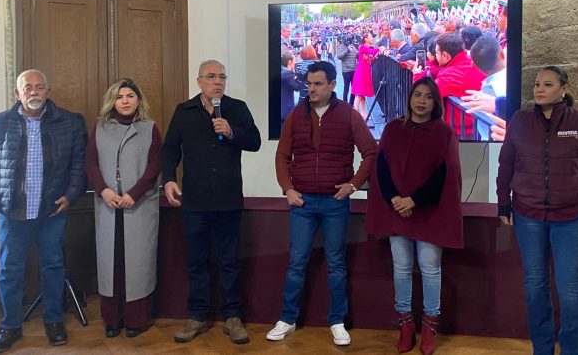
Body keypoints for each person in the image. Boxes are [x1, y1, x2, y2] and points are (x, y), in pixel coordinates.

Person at [496, 66, 578, 355]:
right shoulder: (519, 121)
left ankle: (572, 350)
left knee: (570, 291)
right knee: (535, 287)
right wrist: (503, 203)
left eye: (547, 84)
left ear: (563, 89)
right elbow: (506, 165)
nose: (539, 89)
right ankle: (542, 349)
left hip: (573, 218)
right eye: (536, 84)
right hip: (528, 215)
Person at [268, 61, 377, 347]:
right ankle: (287, 319)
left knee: (337, 264)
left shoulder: (350, 115)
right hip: (302, 202)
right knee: (296, 263)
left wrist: (353, 184)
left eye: (318, 83)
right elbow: (282, 157)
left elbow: (370, 153)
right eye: (309, 83)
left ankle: (337, 321)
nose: (311, 88)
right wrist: (287, 189)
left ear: (332, 85)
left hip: (334, 203)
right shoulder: (295, 116)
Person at [0, 70, 86, 353]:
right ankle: (10, 326)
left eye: (39, 87)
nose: (34, 92)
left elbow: (78, 163)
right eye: (28, 88)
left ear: (47, 92)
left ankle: (54, 321)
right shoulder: (0, 123)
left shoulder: (68, 123)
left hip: (52, 210)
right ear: (18, 94)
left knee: (53, 266)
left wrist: (71, 195)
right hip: (13, 212)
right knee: (10, 270)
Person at [161, 60, 261, 345]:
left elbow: (254, 141)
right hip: (194, 201)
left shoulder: (236, 108)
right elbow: (169, 150)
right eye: (211, 77)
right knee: (196, 262)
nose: (218, 81)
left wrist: (232, 132)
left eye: (222, 77)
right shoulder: (184, 111)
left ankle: (232, 317)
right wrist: (168, 179)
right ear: (199, 81)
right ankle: (196, 315)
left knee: (229, 261)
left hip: (228, 199)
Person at [365, 77, 462, 355]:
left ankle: (430, 327)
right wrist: (395, 198)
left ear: (436, 102)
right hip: (398, 211)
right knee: (402, 268)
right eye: (417, 94)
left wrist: (415, 200)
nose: (421, 100)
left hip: (429, 213)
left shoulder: (444, 132)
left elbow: (446, 174)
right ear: (409, 98)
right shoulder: (394, 128)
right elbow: (382, 165)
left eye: (428, 96)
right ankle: (405, 325)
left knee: (431, 269)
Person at [84, 78, 161, 338]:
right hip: (108, 205)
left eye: (130, 95)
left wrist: (134, 194)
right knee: (112, 264)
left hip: (137, 206)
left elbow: (154, 167)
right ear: (112, 101)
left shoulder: (150, 129)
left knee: (137, 265)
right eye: (120, 96)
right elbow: (91, 163)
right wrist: (103, 190)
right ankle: (112, 319)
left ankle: (136, 319)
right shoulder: (101, 128)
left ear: (138, 100)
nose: (125, 101)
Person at [352, 32, 384, 119]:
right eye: (370, 37)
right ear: (366, 39)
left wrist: (377, 56)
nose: (372, 38)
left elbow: (371, 59)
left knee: (362, 94)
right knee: (359, 94)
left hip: (365, 72)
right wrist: (379, 49)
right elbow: (371, 51)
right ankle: (355, 113)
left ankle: (363, 112)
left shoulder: (366, 48)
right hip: (362, 72)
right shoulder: (363, 47)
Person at [281, 52, 301, 127]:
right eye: (294, 60)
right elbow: (296, 87)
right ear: (289, 62)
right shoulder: (288, 75)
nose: (295, 62)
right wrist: (298, 78)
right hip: (286, 109)